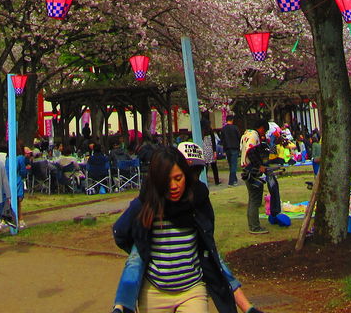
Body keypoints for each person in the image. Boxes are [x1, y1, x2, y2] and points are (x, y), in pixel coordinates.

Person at [110, 144, 266, 313]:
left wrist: (247, 307)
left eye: (178, 178)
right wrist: (143, 251)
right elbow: (122, 236)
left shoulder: (198, 202)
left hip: (192, 291)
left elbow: (213, 257)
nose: (174, 186)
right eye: (166, 181)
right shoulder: (145, 204)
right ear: (157, 181)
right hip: (154, 293)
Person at [241, 145, 271, 235]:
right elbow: (250, 152)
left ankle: (252, 225)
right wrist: (259, 165)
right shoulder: (254, 139)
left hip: (250, 174)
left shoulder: (256, 144)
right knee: (254, 201)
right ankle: (255, 227)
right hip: (253, 176)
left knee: (252, 201)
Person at [219, 115, 241, 185]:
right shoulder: (235, 128)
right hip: (235, 147)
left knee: (231, 164)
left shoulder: (223, 129)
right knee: (234, 164)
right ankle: (231, 181)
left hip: (227, 148)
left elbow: (222, 139)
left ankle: (234, 179)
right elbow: (239, 137)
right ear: (232, 120)